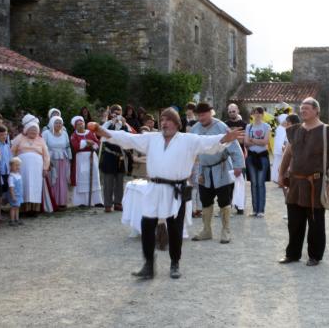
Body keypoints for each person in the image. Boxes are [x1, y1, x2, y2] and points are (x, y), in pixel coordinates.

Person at [89, 107, 244, 279]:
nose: (164, 123)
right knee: (147, 226)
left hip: (175, 190)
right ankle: (148, 265)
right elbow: (128, 139)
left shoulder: (188, 140)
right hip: (154, 189)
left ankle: (174, 263)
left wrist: (225, 138)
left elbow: (207, 142)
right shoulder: (152, 138)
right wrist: (102, 131)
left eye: (168, 120)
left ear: (177, 124)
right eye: (162, 120)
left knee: (175, 228)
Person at [277, 97, 329, 266]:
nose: (303, 111)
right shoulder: (295, 130)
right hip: (296, 183)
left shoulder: (327, 131)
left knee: (315, 222)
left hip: (316, 183)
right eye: (302, 108)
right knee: (294, 221)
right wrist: (281, 174)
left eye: (306, 108)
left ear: (316, 111)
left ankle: (315, 255)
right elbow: (288, 154)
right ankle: (293, 254)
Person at [191, 102, 245, 243]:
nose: (201, 117)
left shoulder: (221, 126)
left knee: (224, 201)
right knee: (206, 201)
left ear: (210, 113)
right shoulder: (195, 129)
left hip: (221, 169)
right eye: (199, 115)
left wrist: (238, 165)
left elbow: (233, 144)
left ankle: (225, 231)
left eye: (204, 114)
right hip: (203, 170)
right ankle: (207, 230)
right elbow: (190, 149)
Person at [11, 114, 51, 216]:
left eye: (35, 130)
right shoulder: (19, 138)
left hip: (37, 168)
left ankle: (34, 210)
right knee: (23, 186)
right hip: (22, 168)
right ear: (26, 130)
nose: (33, 132)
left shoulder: (41, 140)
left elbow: (46, 155)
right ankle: (24, 209)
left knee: (35, 187)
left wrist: (45, 168)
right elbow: (12, 151)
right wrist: (12, 165)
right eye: (31, 130)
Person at [100, 104, 130, 212]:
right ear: (112, 113)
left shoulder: (124, 125)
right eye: (116, 113)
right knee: (108, 181)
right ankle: (108, 204)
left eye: (119, 112)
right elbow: (102, 136)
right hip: (109, 155)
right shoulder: (107, 124)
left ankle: (118, 202)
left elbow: (128, 138)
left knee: (119, 181)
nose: (117, 115)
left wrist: (125, 124)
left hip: (120, 156)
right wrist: (111, 122)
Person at [70, 116, 103, 207]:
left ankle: (97, 201)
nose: (81, 125)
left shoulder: (90, 133)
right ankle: (81, 202)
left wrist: (91, 143)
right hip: (81, 158)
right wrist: (87, 142)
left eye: (82, 123)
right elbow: (76, 146)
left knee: (94, 176)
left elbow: (97, 143)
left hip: (92, 156)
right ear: (75, 126)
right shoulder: (74, 135)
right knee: (82, 178)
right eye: (78, 124)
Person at [245, 107, 271, 217]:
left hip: (262, 157)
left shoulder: (266, 126)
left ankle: (261, 210)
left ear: (263, 114)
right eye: (256, 113)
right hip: (251, 157)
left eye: (260, 113)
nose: (258, 115)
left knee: (260, 184)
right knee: (253, 183)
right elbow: (246, 143)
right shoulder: (248, 126)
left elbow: (265, 142)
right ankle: (255, 209)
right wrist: (256, 142)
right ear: (253, 114)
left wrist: (253, 140)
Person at [42, 116, 72, 210]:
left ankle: (62, 202)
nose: (58, 124)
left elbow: (67, 146)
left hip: (63, 159)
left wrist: (70, 158)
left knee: (62, 180)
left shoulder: (64, 133)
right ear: (52, 123)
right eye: (56, 122)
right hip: (51, 160)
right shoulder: (46, 133)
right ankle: (53, 202)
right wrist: (46, 160)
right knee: (52, 180)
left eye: (60, 123)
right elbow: (43, 147)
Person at [225, 103, 247, 214]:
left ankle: (240, 206)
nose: (232, 113)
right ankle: (227, 206)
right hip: (227, 158)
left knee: (240, 182)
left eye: (234, 111)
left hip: (240, 156)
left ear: (237, 111)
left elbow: (243, 140)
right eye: (230, 111)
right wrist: (235, 138)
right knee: (228, 183)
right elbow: (224, 141)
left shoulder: (244, 124)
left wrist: (232, 139)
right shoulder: (225, 125)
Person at [0, 124, 12, 223]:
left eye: (5, 135)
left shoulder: (7, 146)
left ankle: (0, 211)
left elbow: (10, 158)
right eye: (2, 135)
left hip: (7, 172)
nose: (4, 137)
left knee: (5, 192)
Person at [271, 114, 288, 183]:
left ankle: (280, 178)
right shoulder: (280, 128)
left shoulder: (283, 128)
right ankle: (277, 178)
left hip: (283, 149)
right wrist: (282, 148)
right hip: (280, 150)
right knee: (278, 164)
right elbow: (279, 140)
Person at [7, 157, 23, 226]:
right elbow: (11, 187)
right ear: (11, 166)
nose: (17, 167)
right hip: (14, 195)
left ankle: (17, 219)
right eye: (15, 165)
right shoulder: (11, 177)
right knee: (13, 207)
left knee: (17, 207)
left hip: (19, 194)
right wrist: (13, 196)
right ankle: (12, 220)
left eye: (18, 165)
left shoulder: (19, 175)